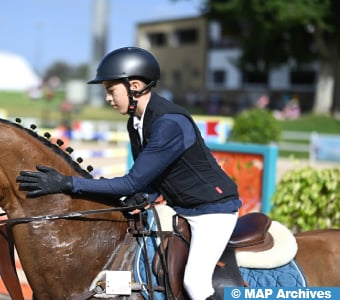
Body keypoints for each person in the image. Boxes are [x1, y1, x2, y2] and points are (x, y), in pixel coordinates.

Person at [17, 47, 241, 300]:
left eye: (111, 91)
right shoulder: (136, 121)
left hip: (212, 210)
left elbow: (130, 182)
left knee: (195, 283)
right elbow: (154, 174)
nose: (108, 99)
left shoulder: (168, 123)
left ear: (134, 86)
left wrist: (66, 183)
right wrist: (146, 195)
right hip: (182, 208)